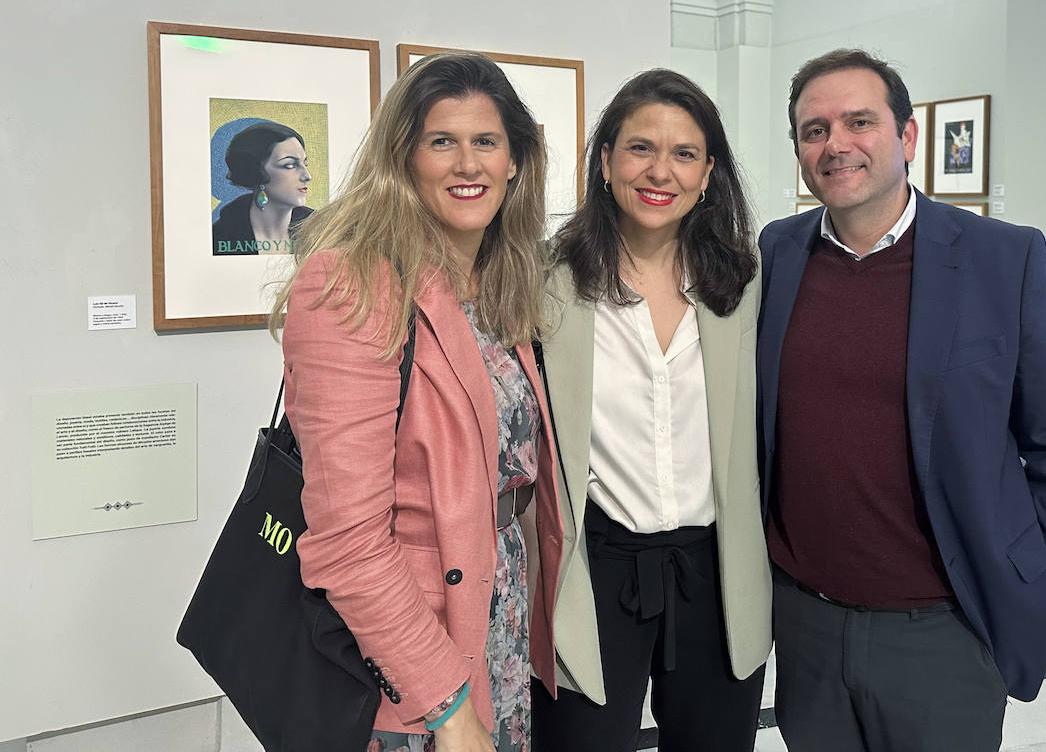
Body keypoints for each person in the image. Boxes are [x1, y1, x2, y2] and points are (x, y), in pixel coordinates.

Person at [757, 48, 1046, 752]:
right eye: (814, 129)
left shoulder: (1003, 258)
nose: (836, 144)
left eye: (859, 121)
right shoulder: (777, 253)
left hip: (944, 630)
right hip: (806, 628)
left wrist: (1042, 585)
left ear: (907, 137)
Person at [269, 52, 563, 752]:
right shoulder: (351, 284)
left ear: (516, 159)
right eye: (442, 142)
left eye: (486, 141)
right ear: (403, 157)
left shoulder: (497, 279)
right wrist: (448, 708)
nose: (468, 163)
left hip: (497, 627)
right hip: (412, 658)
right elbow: (347, 541)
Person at [531, 69, 771, 752]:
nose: (660, 169)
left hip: (716, 568)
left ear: (707, 171)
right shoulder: (547, 278)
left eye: (684, 153)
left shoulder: (744, 278)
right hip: (594, 566)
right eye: (640, 148)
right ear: (605, 161)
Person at [212, 121, 314, 255]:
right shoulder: (222, 235)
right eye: (289, 165)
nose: (307, 176)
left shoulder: (319, 229)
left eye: (305, 164)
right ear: (257, 172)